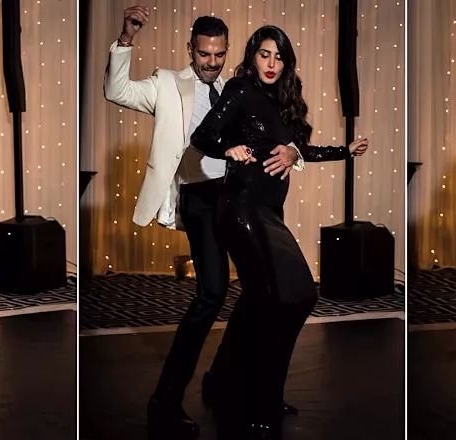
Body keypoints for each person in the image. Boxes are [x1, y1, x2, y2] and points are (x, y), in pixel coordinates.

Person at [103, 6, 305, 439]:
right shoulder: (167, 84)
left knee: (259, 290)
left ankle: (222, 378)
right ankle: (164, 400)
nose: (211, 62)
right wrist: (126, 39)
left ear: (228, 51)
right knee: (211, 296)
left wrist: (293, 152)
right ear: (190, 49)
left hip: (238, 199)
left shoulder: (239, 88)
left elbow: (281, 134)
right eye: (203, 54)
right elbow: (116, 90)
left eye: (218, 54)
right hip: (199, 199)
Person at [190, 25, 368, 438]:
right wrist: (227, 148)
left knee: (268, 299)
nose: (271, 64)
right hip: (240, 209)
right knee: (285, 298)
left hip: (270, 213)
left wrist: (337, 151)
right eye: (264, 54)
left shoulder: (286, 98)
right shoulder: (239, 89)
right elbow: (203, 136)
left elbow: (298, 149)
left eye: (279, 57)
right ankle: (261, 396)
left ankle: (223, 380)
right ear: (253, 56)